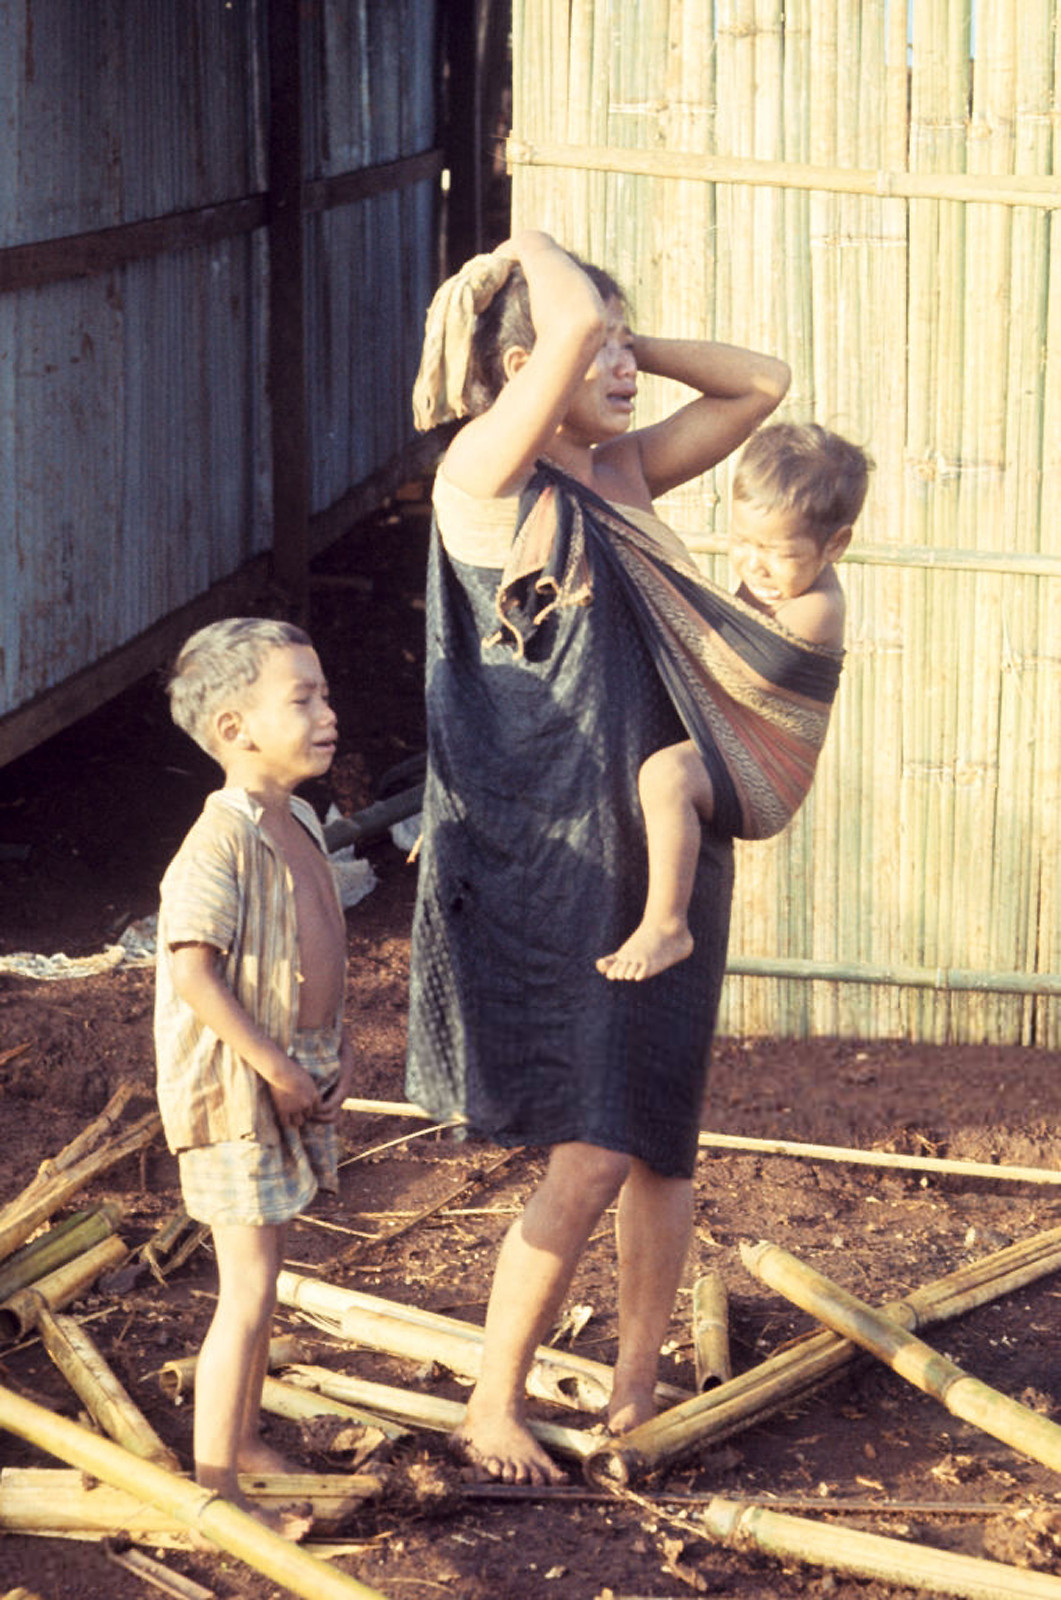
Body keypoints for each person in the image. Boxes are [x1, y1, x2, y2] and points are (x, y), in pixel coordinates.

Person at [405, 229, 791, 1485]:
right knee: (589, 1143)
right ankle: (488, 1400)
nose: (623, 364)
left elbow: (758, 383)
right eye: (602, 348)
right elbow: (561, 334)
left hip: (665, 853)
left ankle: (633, 1387)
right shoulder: (482, 479)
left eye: (630, 345)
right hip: (556, 860)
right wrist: (530, 250)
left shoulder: (615, 478)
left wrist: (626, 338)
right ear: (522, 365)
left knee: (659, 1136)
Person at [153, 617, 355, 1536]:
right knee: (243, 1288)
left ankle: (241, 1441)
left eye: (323, 693)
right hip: (239, 1089)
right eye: (302, 699)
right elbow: (193, 969)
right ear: (235, 730)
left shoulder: (297, 816)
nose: (328, 713)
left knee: (264, 1277)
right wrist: (274, 1065)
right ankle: (217, 1492)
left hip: (292, 1067)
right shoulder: (217, 841)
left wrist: (325, 1049)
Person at [597, 421, 872, 982]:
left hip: (765, 778)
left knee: (666, 777)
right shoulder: (782, 581)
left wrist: (651, 573)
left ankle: (667, 925)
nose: (755, 565)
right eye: (742, 542)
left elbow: (711, 645)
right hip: (726, 742)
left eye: (778, 552)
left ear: (835, 546)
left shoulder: (816, 609)